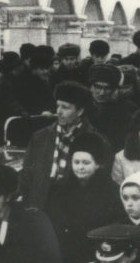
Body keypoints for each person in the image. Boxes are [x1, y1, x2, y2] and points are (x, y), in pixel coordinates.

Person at [19, 81, 108, 210]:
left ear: (80, 111)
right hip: (40, 210)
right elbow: (26, 175)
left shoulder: (96, 141)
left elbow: (100, 184)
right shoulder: (40, 137)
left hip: (74, 212)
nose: (59, 112)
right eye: (58, 106)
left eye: (65, 107)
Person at [43, 132, 124, 263]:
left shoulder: (111, 191)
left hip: (97, 256)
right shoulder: (59, 189)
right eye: (76, 162)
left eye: (86, 163)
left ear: (98, 164)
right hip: (65, 255)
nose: (80, 167)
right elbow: (51, 224)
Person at [87, 63, 138, 152]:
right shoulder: (82, 107)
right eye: (98, 87)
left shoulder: (127, 110)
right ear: (91, 87)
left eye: (107, 88)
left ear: (115, 90)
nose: (102, 92)